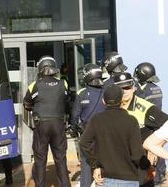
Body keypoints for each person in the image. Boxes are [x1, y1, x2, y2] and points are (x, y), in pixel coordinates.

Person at [79, 84, 146, 187]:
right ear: (122, 101)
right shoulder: (131, 121)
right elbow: (137, 154)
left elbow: (83, 143)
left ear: (104, 101)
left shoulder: (96, 120)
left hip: (105, 179)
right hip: (129, 179)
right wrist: (147, 167)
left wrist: (95, 165)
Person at [113, 72, 168, 187]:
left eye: (127, 87)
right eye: (120, 88)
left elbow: (165, 124)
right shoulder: (111, 108)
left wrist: (155, 147)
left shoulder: (145, 109)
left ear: (133, 88)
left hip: (142, 165)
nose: (124, 91)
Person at [23, 55, 71, 187]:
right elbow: (67, 102)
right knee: (60, 158)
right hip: (58, 123)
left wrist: (36, 108)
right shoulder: (63, 83)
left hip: (41, 124)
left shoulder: (34, 85)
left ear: (40, 68)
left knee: (40, 159)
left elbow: (26, 104)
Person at [70, 63, 105, 187]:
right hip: (105, 134)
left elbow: (75, 115)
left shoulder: (82, 93)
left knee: (86, 163)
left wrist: (73, 128)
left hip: (87, 134)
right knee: (104, 162)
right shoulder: (106, 91)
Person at [133, 62, 165, 184]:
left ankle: (153, 177)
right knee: (158, 148)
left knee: (149, 150)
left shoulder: (144, 91)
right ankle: (160, 174)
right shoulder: (156, 88)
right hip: (157, 123)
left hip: (147, 125)